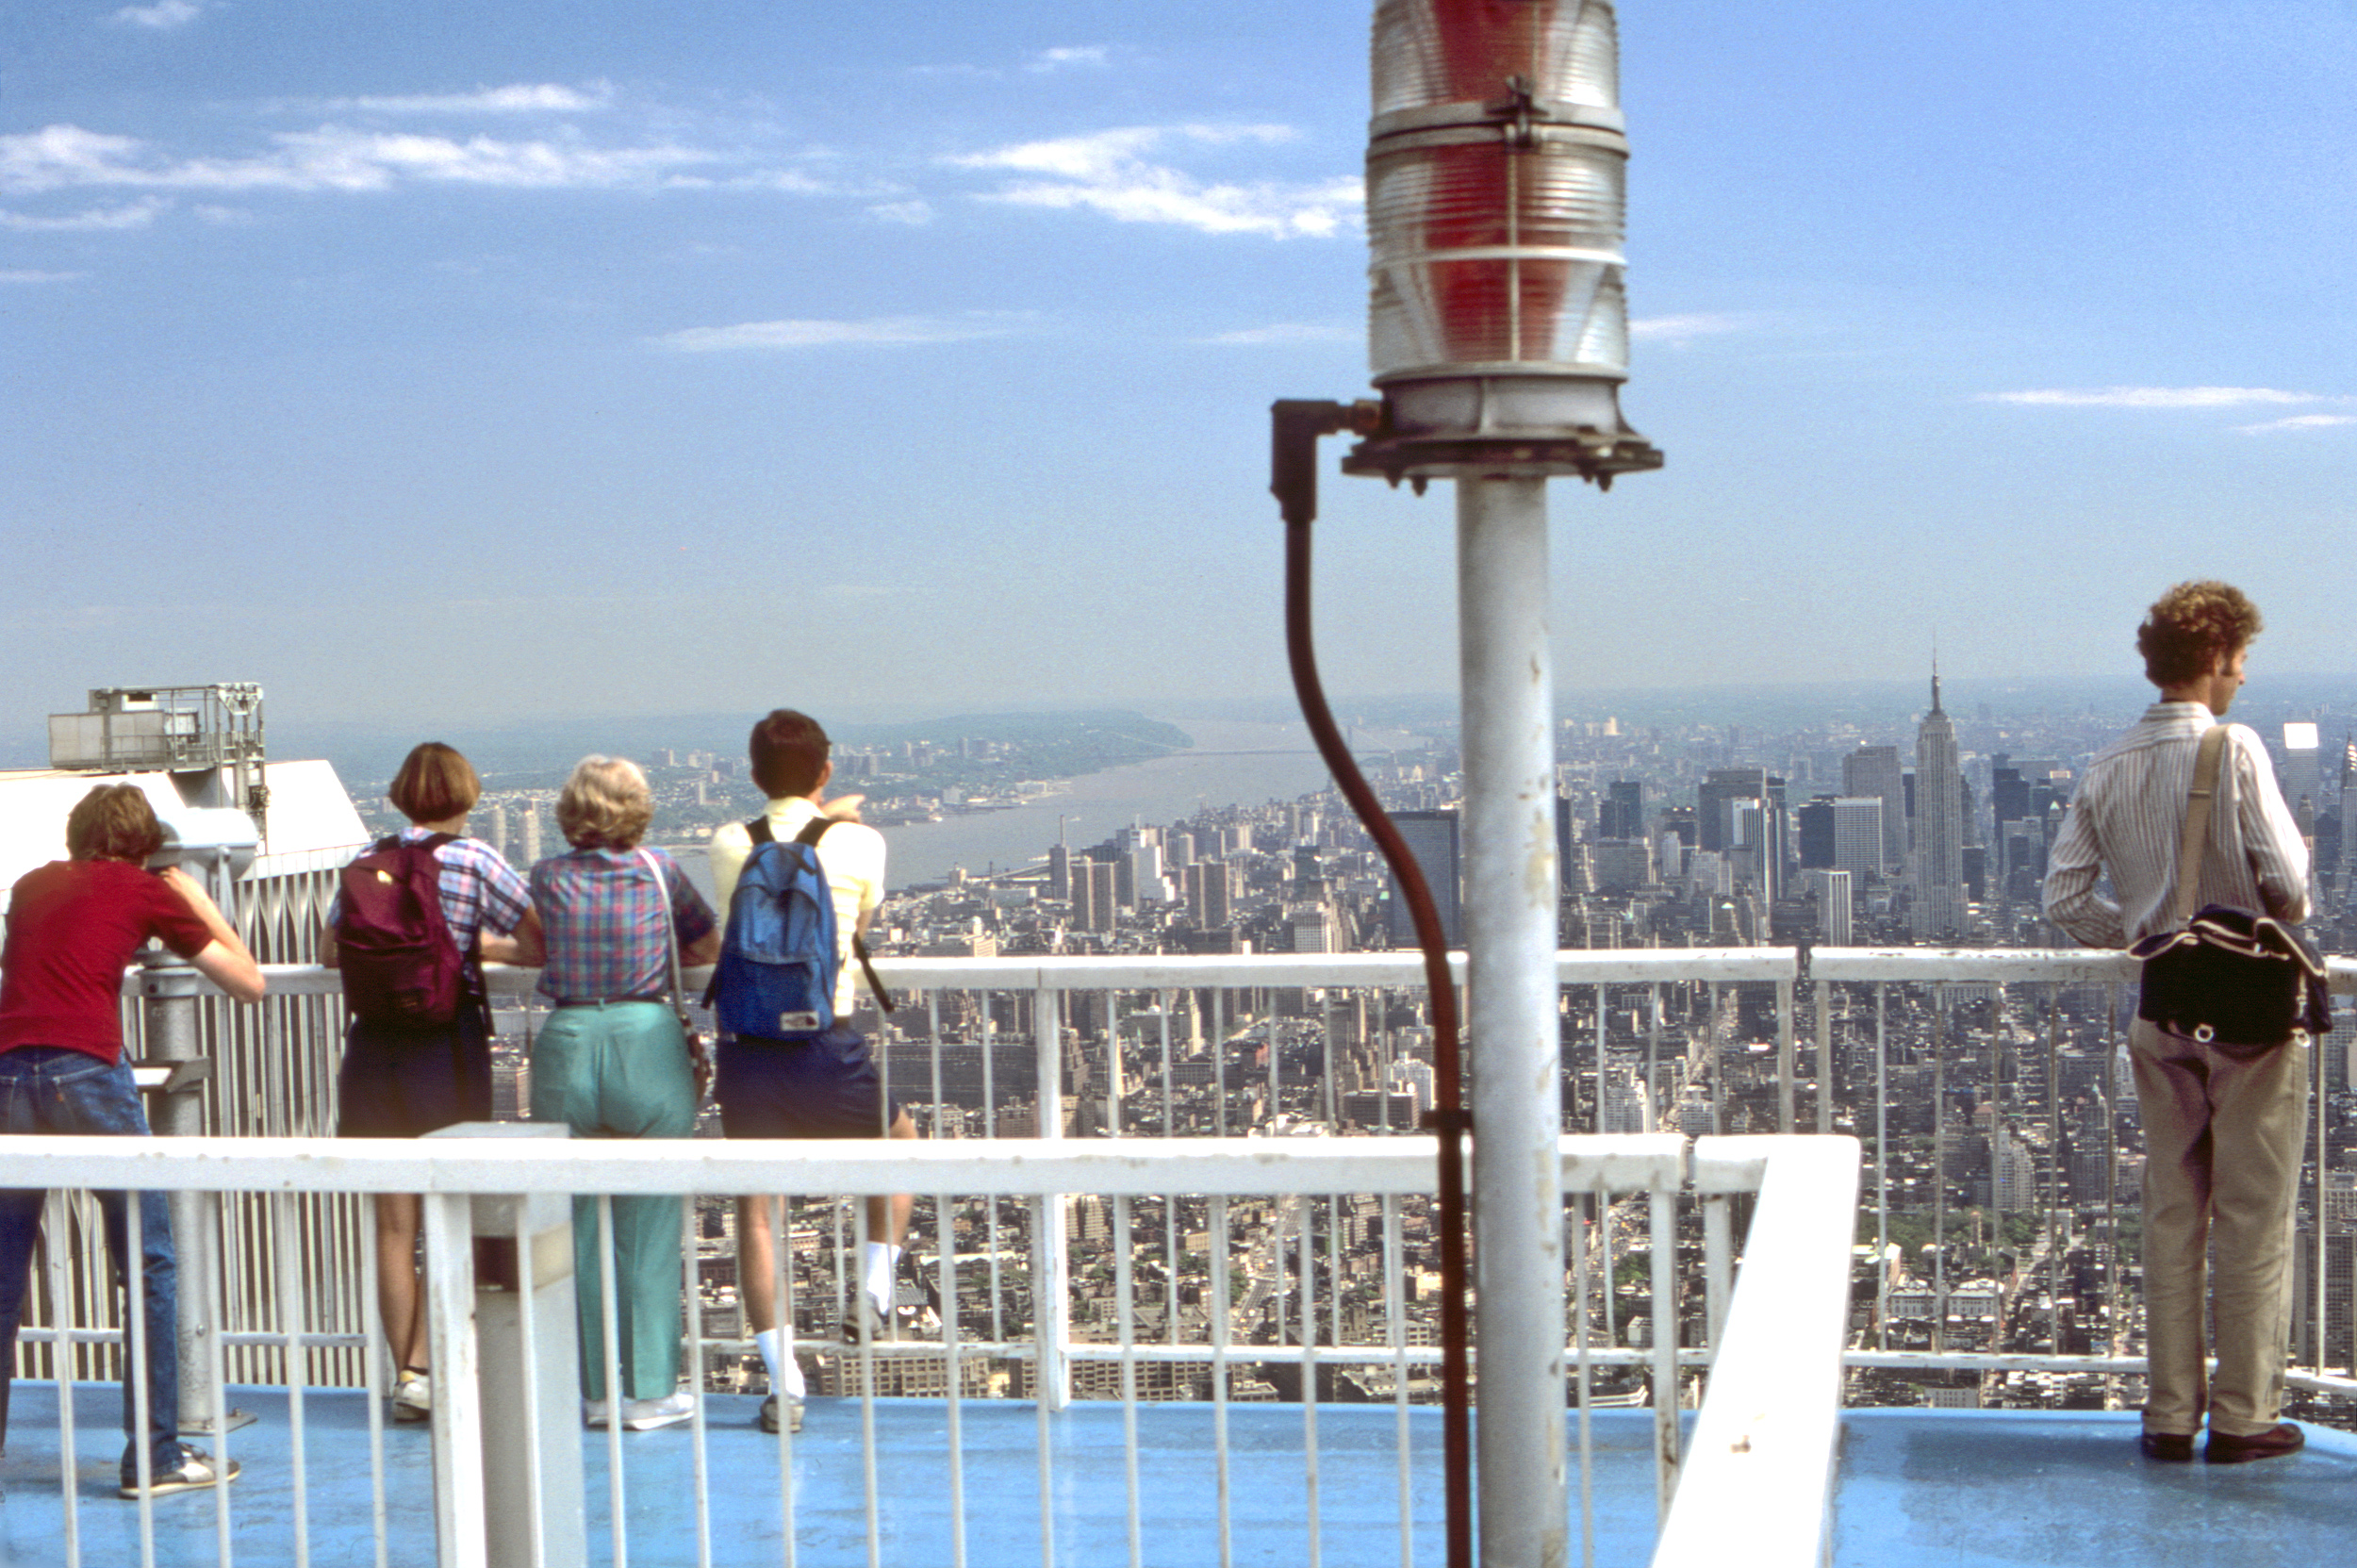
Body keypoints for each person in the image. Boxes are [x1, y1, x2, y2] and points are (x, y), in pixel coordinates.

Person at [2044, 580, 2312, 1464]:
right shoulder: (2234, 749)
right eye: (2239, 662)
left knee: (2172, 1213)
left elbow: (2064, 897)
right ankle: (2242, 1417)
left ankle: (2167, 1416)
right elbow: (2292, 888)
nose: (2241, 679)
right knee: (2252, 1216)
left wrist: (2147, 935)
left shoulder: (2107, 764)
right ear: (2216, 659)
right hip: (2248, 1021)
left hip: (2160, 1012)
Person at [0, 784, 264, 1497]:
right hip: (83, 1071)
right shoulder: (141, 888)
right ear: (145, 844)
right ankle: (155, 1457)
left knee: (2, 1273)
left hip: (6, 1074)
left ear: (77, 835)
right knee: (149, 1262)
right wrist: (198, 901)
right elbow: (248, 982)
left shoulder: (29, 886)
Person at [321, 742, 543, 1424]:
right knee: (451, 1213)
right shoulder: (476, 860)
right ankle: (438, 1364)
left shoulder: (367, 864)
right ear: (468, 795)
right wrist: (470, 944)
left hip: (372, 1050)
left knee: (393, 1226)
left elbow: (330, 952)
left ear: (399, 796)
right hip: (446, 1047)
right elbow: (538, 943)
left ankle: (406, 1374)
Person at [708, 710, 915, 1436]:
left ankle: (783, 1383)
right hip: (829, 1042)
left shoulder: (730, 842)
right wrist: (836, 820)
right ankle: (875, 1284)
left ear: (755, 773)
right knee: (899, 1147)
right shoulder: (862, 841)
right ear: (825, 771)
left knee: (757, 1213)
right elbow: (857, 926)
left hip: (748, 1048)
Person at [528, 756, 717, 1431]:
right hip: (647, 1039)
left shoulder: (547, 876)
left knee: (578, 1225)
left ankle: (594, 1390)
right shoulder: (660, 871)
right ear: (636, 807)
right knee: (649, 1222)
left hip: (569, 1040)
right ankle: (647, 1392)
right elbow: (705, 944)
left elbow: (529, 947)